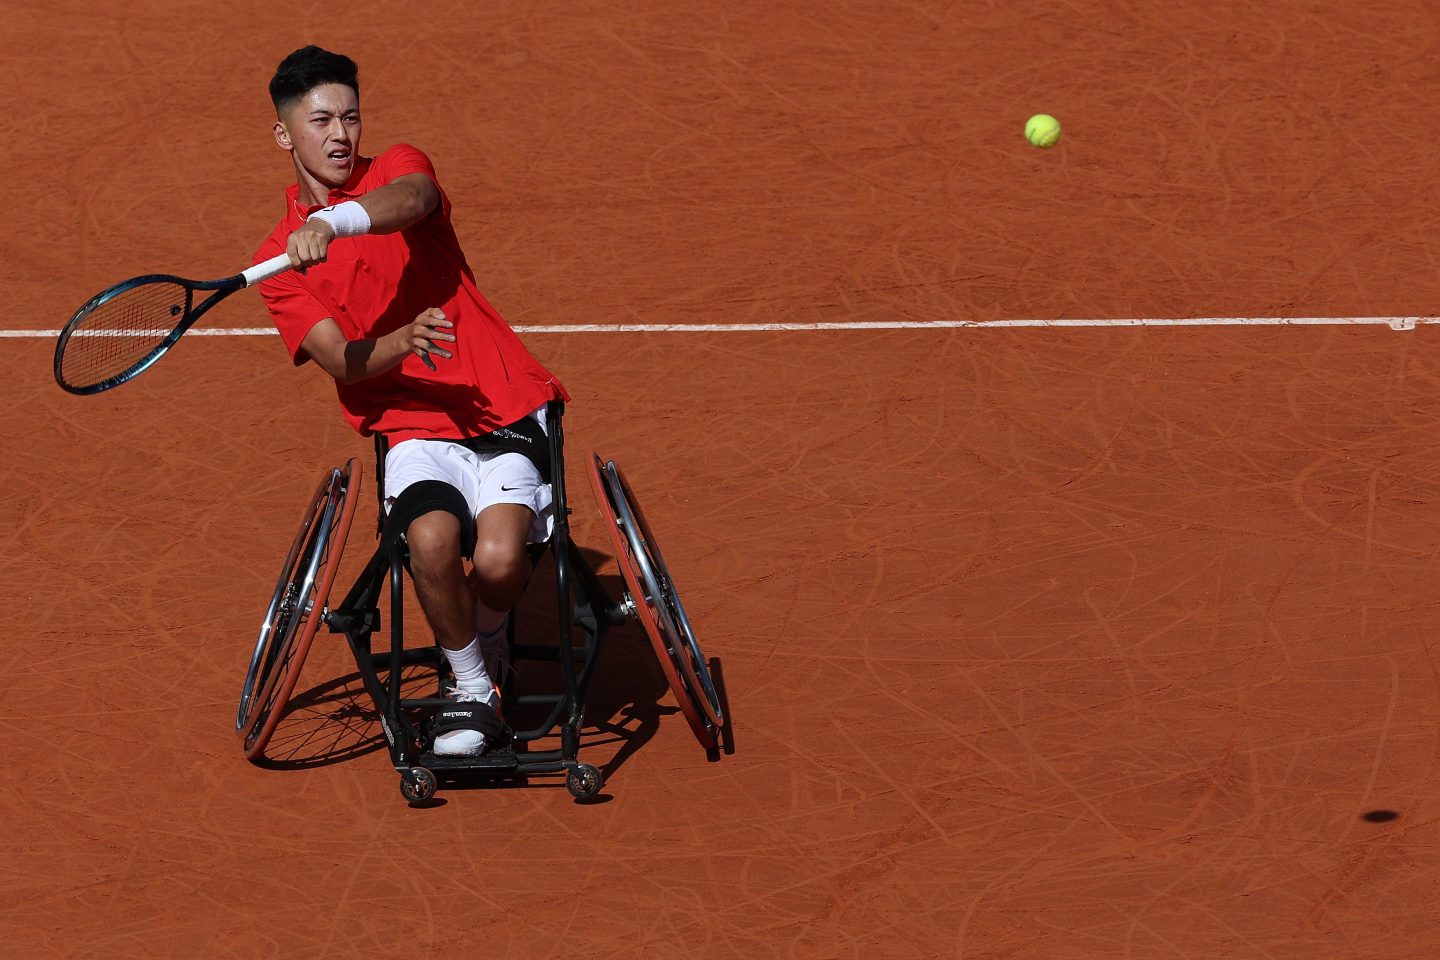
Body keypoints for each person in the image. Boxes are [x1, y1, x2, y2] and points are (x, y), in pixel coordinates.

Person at [252, 45, 568, 757]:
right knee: (429, 541)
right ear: (284, 135)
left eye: (350, 117)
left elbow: (414, 201)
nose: (340, 135)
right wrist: (401, 341)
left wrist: (334, 223)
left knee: (496, 560)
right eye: (321, 120)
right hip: (412, 425)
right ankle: (472, 688)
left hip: (501, 401)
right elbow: (341, 361)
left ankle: (487, 636)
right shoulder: (281, 263)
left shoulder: (396, 167)